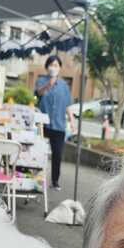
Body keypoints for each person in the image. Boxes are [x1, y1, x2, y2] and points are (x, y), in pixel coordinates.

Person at [35, 55, 76, 190]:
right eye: (51, 65)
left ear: (59, 68)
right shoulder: (41, 80)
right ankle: (36, 179)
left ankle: (55, 181)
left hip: (58, 125)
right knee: (38, 152)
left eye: (56, 65)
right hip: (43, 124)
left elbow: (67, 105)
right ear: (47, 67)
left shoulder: (64, 85)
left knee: (57, 154)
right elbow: (39, 93)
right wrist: (49, 84)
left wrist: (72, 121)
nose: (53, 68)